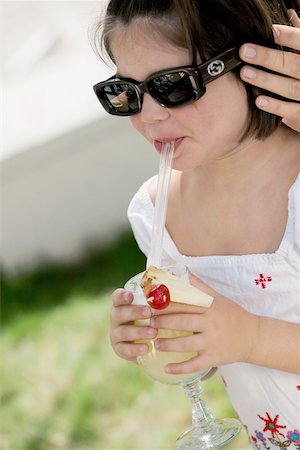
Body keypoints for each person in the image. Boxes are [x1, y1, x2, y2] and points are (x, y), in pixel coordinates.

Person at [93, 1, 300, 448]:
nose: (149, 116)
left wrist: (252, 336)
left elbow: (247, 338)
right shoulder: (156, 213)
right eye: (125, 91)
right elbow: (223, 349)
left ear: (257, 58)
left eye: (173, 86)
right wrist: (161, 336)